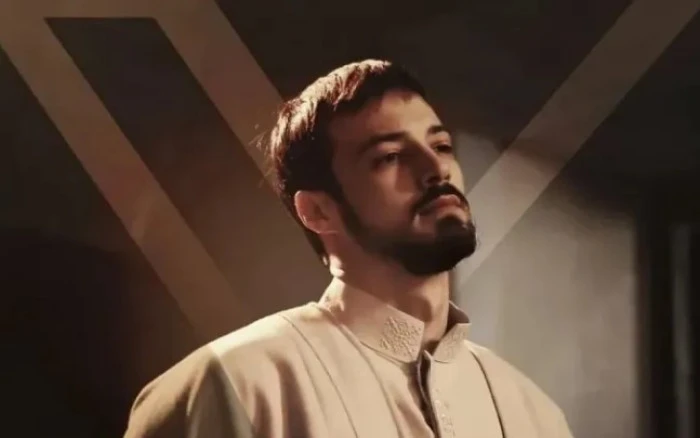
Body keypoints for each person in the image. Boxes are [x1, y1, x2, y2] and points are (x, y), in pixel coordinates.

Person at [124, 59, 574, 438]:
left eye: (440, 145)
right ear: (318, 211)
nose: (435, 168)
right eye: (390, 156)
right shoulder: (233, 385)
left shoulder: (535, 416)